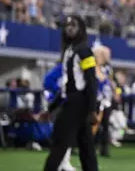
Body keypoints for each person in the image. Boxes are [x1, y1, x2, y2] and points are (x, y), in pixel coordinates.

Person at [43, 16, 99, 171]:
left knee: (59, 143)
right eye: (67, 25)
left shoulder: (85, 51)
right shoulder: (69, 51)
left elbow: (91, 81)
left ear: (81, 28)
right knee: (86, 146)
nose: (69, 28)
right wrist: (51, 107)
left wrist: (93, 109)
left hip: (78, 103)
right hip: (73, 101)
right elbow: (65, 86)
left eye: (73, 25)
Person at [42, 62, 75, 171]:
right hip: (60, 105)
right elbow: (47, 82)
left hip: (69, 105)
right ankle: (60, 163)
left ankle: (65, 161)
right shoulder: (60, 69)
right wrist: (57, 93)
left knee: (69, 134)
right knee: (61, 135)